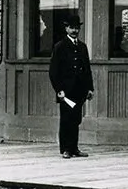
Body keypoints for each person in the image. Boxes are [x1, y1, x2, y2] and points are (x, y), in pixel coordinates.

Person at [49, 12, 94, 159]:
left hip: (79, 90)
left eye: (76, 28)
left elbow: (87, 69)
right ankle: (66, 149)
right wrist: (59, 90)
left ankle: (74, 148)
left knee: (76, 119)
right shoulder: (60, 47)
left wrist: (90, 88)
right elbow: (54, 71)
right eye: (71, 28)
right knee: (66, 119)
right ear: (66, 29)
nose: (74, 31)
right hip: (66, 92)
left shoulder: (82, 47)